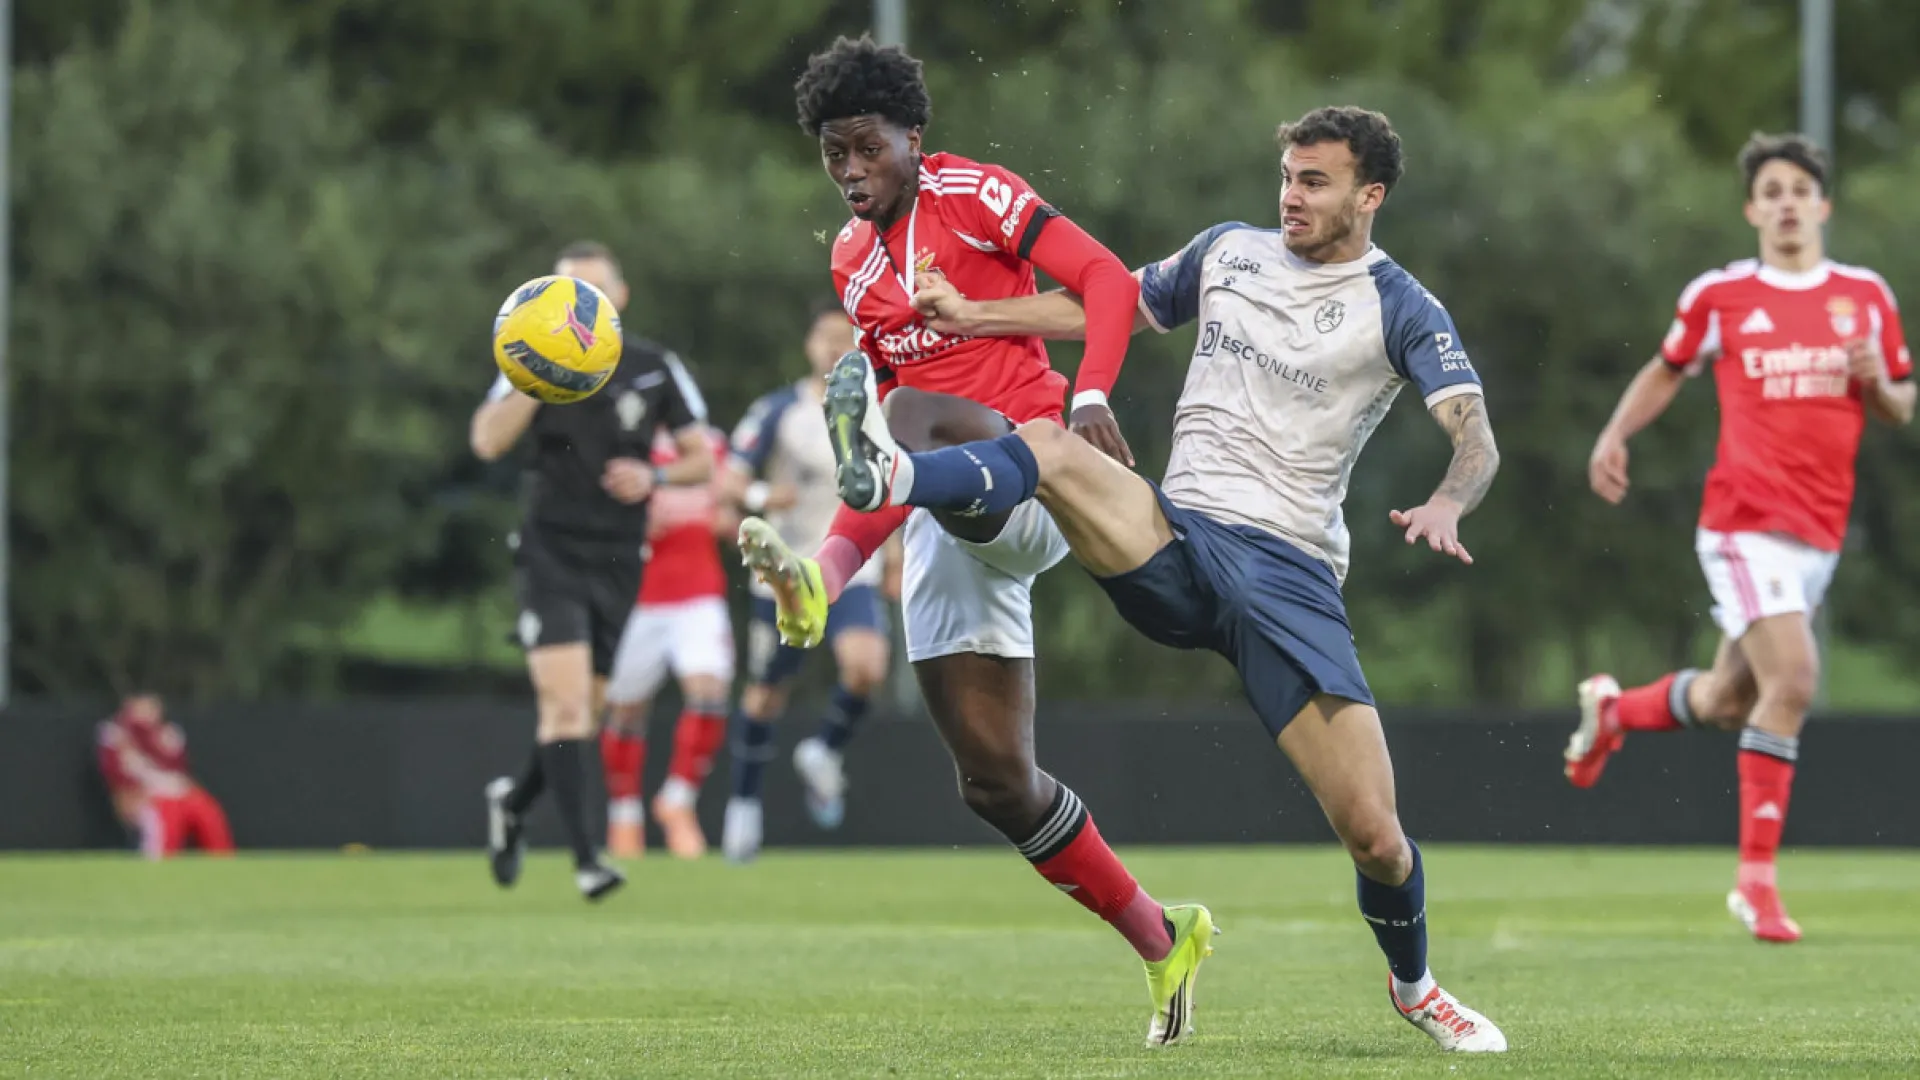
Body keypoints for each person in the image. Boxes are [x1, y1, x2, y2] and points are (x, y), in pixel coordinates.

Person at [834, 105, 1510, 1053]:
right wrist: (978, 313)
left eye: (1314, 181)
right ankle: (899, 475)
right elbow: (1099, 304)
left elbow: (1474, 435)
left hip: (1289, 579)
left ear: (1371, 194)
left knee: (1376, 837)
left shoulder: (1401, 306)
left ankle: (1416, 985)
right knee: (1051, 444)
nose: (1291, 196)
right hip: (1177, 536)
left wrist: (1448, 503)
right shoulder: (1228, 251)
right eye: (1286, 175)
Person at [737, 36, 1213, 1047]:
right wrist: (827, 570)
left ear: (913, 134)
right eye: (834, 157)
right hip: (944, 501)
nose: (852, 172)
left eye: (867, 148)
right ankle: (1163, 936)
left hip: (1036, 471)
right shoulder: (849, 260)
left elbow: (1109, 287)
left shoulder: (974, 193)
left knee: (905, 424)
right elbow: (880, 453)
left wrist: (1089, 399)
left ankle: (908, 501)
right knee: (994, 781)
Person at [1566, 132, 1913, 943]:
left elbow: (1900, 404)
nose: (1787, 202)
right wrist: (1614, 434)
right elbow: (1667, 366)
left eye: (1801, 188)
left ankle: (1617, 709)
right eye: (1773, 191)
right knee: (1794, 677)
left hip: (1818, 535)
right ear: (1753, 209)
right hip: (1743, 522)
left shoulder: (1865, 295)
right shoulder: (1723, 295)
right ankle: (1755, 884)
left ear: (1823, 205)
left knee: (1732, 700)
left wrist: (1878, 380)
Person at [470, 241, 715, 900]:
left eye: (593, 294)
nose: (578, 307)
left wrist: (654, 473)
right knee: (568, 705)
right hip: (551, 549)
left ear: (619, 299)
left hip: (619, 555)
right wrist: (531, 375)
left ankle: (514, 805)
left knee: (588, 711)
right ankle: (588, 860)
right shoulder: (529, 362)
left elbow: (703, 459)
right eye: (567, 291)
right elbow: (487, 440)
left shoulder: (653, 366)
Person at [716, 300, 902, 862]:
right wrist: (759, 497)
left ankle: (823, 751)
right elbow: (727, 479)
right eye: (823, 338)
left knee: (867, 668)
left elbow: (891, 486)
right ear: (808, 346)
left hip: (851, 567)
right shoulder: (780, 410)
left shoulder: (877, 411)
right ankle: (743, 808)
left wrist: (893, 558)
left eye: (843, 339)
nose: (832, 348)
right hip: (783, 573)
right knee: (767, 693)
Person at [598, 424, 734, 860]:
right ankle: (624, 815)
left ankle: (677, 800)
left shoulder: (710, 444)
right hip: (639, 597)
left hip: (699, 592)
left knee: (710, 690)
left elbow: (728, 506)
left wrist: (734, 519)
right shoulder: (619, 445)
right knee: (625, 708)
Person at [96, 694, 234, 859]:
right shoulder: (115, 733)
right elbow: (114, 772)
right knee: (168, 817)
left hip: (175, 791)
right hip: (145, 794)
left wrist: (147, 736)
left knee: (207, 811)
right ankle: (159, 861)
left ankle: (223, 862)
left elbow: (173, 765)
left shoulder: (166, 733)